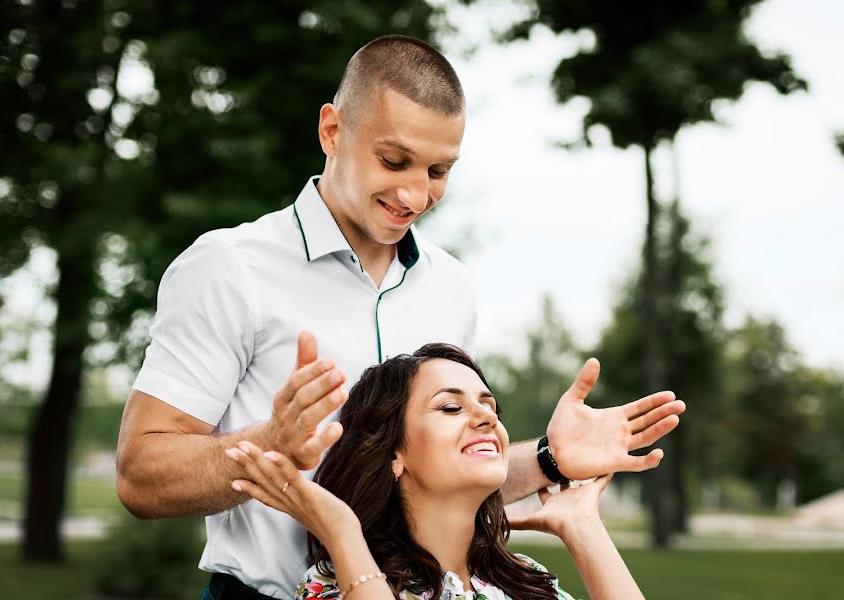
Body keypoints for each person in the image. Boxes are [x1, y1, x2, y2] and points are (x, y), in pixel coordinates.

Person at [116, 35, 684, 600]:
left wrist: (547, 460)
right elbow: (140, 474)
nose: (415, 194)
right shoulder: (230, 268)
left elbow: (425, 478)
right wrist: (272, 446)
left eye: (439, 171)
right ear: (332, 131)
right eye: (394, 160)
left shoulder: (451, 287)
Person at [227, 343, 645, 600]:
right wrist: (341, 531)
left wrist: (582, 525)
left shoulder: (528, 583)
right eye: (451, 407)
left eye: (490, 406)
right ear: (393, 454)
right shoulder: (340, 583)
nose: (485, 417)